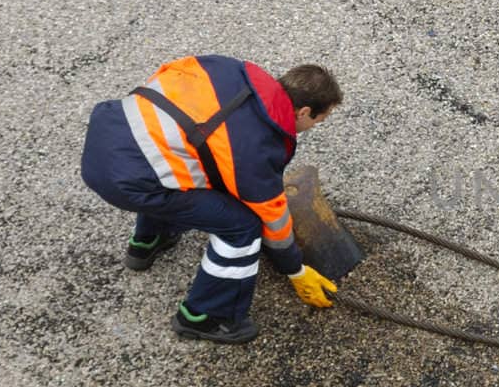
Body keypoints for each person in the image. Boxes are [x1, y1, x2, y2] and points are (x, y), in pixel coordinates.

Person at [80, 54, 343, 344]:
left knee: (177, 163)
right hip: (126, 180)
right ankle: (204, 316)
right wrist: (294, 269)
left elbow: (168, 84)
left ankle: (148, 242)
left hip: (108, 136)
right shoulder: (259, 145)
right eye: (319, 120)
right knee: (242, 226)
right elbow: (272, 217)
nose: (315, 127)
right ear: (304, 112)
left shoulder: (227, 68)